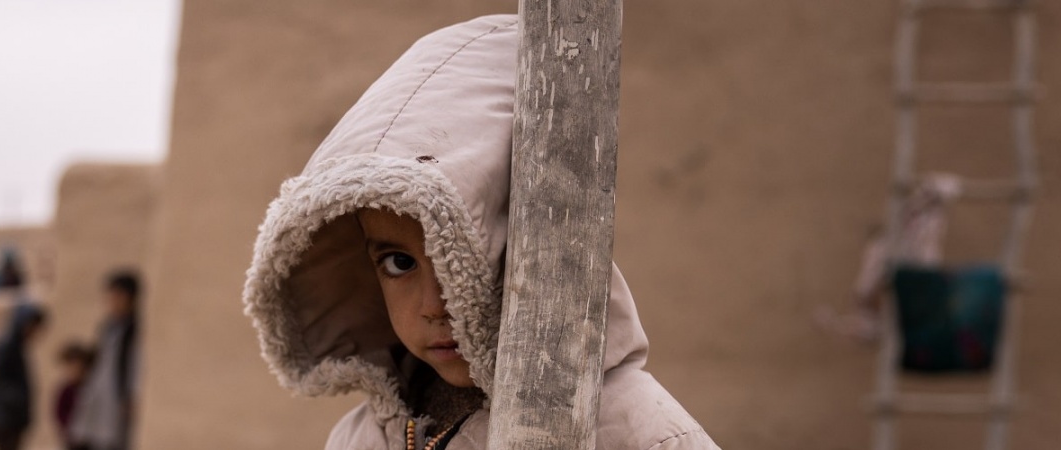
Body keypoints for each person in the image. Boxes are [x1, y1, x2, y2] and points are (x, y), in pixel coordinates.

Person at [240, 15, 717, 450]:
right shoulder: (359, 438)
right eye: (399, 263)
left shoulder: (637, 429)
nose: (434, 305)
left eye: (460, 258)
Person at [67, 271, 140, 450]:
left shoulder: (133, 330)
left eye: (117, 295)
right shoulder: (108, 327)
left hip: (116, 400)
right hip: (98, 397)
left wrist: (128, 397)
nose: (112, 301)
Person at [0, 302, 45, 450]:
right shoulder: (7, 346)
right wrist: (18, 399)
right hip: (4, 418)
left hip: (10, 417)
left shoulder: (17, 347)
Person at [54, 341, 96, 449]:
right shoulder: (66, 390)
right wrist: (68, 426)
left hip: (90, 437)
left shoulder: (91, 390)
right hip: (72, 436)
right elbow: (59, 412)